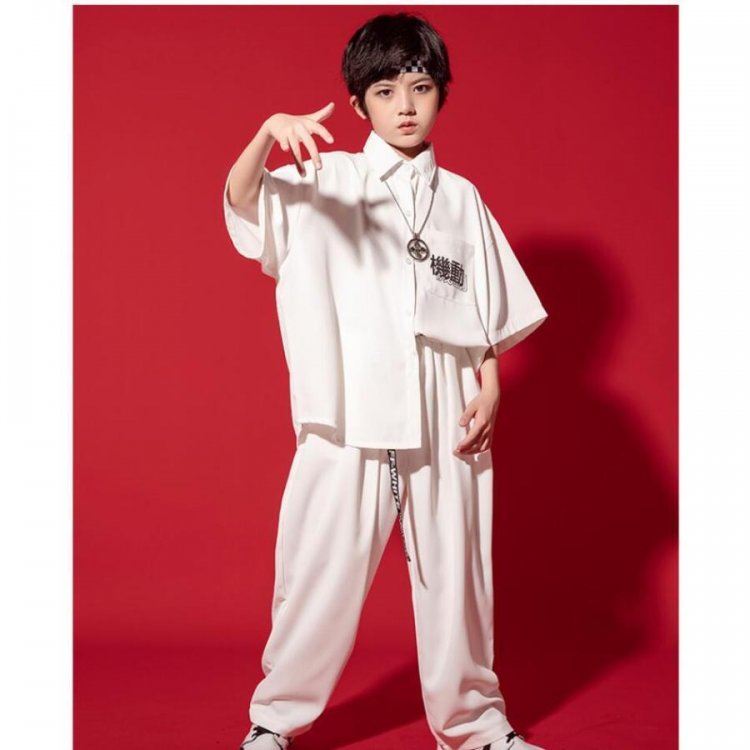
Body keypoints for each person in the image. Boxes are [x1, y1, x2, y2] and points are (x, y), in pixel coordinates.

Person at [222, 12, 548, 750]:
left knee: (458, 569)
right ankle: (274, 722)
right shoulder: (323, 179)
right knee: (319, 566)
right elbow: (244, 202)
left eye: (421, 87)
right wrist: (267, 133)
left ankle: (476, 725)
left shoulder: (461, 197)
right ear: (359, 101)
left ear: (441, 94)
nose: (405, 106)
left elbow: (483, 309)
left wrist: (491, 385)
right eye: (385, 90)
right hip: (348, 401)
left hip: (447, 400)